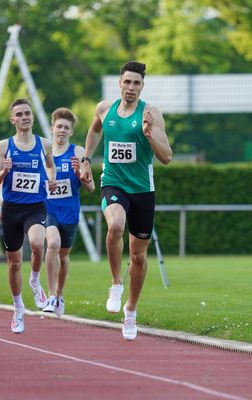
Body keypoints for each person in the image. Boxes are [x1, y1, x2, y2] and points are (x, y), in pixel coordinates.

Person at [80, 61, 173, 340]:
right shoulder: (104, 109)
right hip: (114, 184)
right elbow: (96, 129)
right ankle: (116, 283)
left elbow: (167, 156)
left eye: (136, 83)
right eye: (127, 82)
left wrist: (149, 135)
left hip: (143, 190)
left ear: (142, 86)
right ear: (119, 84)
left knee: (138, 256)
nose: (131, 88)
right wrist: (86, 158)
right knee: (116, 225)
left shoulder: (151, 114)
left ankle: (130, 310)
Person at [0, 98, 57, 334]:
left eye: (28, 113)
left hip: (35, 206)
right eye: (20, 114)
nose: (25, 117)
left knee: (38, 243)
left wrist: (52, 179)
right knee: (14, 263)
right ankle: (18, 308)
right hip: (11, 210)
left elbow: (50, 165)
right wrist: (4, 171)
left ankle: (35, 281)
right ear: (12, 120)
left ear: (33, 117)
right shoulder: (3, 146)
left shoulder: (44, 144)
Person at [42, 108, 95, 317]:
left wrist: (80, 175)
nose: (62, 131)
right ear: (52, 129)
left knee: (64, 256)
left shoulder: (78, 152)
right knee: (52, 244)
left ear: (71, 131)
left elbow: (91, 188)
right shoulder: (44, 152)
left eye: (66, 127)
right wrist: (47, 184)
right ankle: (51, 295)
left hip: (70, 212)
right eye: (59, 127)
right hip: (48, 209)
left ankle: (60, 295)